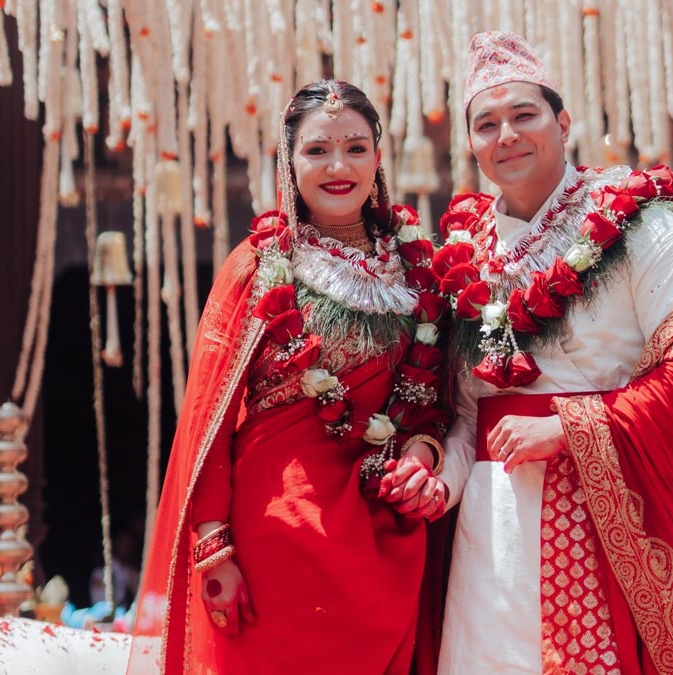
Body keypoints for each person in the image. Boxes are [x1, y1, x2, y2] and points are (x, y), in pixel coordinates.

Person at [429, 32, 673, 674]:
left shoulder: (637, 221)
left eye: (524, 115)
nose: (506, 135)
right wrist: (439, 479)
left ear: (562, 121)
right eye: (486, 124)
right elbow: (463, 411)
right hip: (489, 526)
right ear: (471, 146)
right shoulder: (463, 251)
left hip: (597, 509)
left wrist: (568, 428)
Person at [127, 80, 451, 675]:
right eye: (317, 150)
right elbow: (208, 416)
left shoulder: (417, 267)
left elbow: (434, 400)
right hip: (272, 536)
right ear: (289, 159)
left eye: (355, 148)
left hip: (382, 535)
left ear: (378, 158)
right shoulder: (257, 265)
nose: (338, 166)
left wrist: (423, 457)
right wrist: (213, 544)